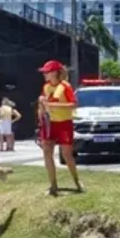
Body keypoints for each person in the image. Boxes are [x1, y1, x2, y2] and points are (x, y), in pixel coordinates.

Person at [39, 60, 83, 196]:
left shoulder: (65, 86)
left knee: (66, 154)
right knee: (47, 151)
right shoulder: (46, 87)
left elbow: (74, 105)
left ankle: (77, 181)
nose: (45, 74)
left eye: (47, 71)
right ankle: (53, 185)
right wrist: (41, 111)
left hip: (64, 123)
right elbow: (43, 105)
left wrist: (53, 106)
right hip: (49, 122)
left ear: (55, 72)